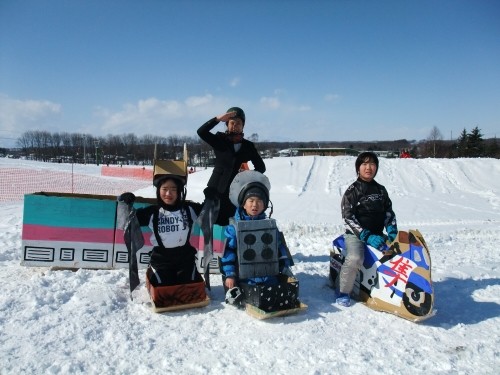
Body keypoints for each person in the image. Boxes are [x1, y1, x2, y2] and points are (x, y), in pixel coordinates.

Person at [220, 171, 293, 306]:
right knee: (251, 293)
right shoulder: (234, 228)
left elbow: (279, 247)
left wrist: (285, 266)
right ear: (243, 203)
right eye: (251, 201)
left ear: (265, 204)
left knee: (274, 292)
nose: (255, 205)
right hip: (244, 275)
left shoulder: (269, 226)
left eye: (259, 201)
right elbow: (227, 252)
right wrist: (230, 274)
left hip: (268, 273)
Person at [119, 172, 203, 286]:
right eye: (164, 189)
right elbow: (126, 222)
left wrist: (214, 197)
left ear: (179, 191)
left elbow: (215, 215)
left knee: (189, 285)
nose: (168, 193)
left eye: (173, 189)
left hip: (185, 258)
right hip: (161, 259)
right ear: (159, 190)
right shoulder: (152, 212)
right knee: (163, 287)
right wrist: (124, 203)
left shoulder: (189, 209)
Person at [337, 151, 398, 307]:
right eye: (364, 164)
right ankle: (344, 292)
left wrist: (392, 231)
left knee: (396, 254)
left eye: (372, 164)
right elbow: (347, 217)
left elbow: (389, 213)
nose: (368, 167)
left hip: (378, 234)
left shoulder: (381, 190)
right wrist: (365, 235)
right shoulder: (352, 191)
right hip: (356, 236)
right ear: (358, 168)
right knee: (355, 258)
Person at [197, 107, 266, 226]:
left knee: (232, 226)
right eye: (232, 123)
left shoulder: (248, 146)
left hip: (236, 193)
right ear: (227, 124)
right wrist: (217, 119)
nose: (235, 125)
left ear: (243, 125)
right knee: (209, 225)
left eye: (238, 123)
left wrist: (247, 178)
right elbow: (201, 132)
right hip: (215, 191)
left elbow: (261, 167)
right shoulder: (219, 140)